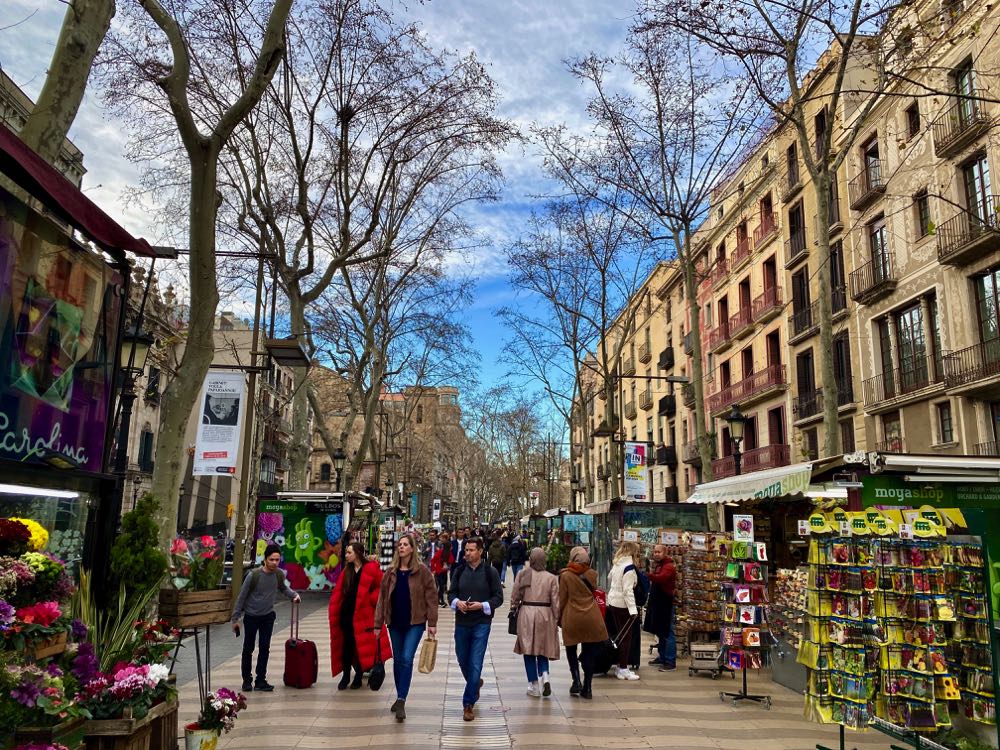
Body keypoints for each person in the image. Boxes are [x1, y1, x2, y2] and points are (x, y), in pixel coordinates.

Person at [374, 533, 439, 722]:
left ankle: (401, 698)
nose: (401, 547)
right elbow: (381, 599)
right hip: (394, 622)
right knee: (397, 660)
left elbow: (432, 598)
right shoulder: (391, 572)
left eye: (405, 544)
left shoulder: (422, 571)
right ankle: (400, 695)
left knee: (406, 658)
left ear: (412, 548)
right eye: (399, 545)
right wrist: (378, 624)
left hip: (415, 622)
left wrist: (432, 623)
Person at [231, 543, 300, 692]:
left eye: (277, 560)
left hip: (267, 617)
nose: (274, 563)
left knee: (264, 648)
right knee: (248, 649)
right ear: (265, 559)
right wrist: (235, 619)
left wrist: (294, 595)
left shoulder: (279, 574)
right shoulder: (253, 575)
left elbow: (283, 588)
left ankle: (260, 680)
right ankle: (246, 681)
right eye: (271, 560)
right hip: (251, 617)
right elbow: (241, 597)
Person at [449, 537, 503, 722]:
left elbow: (498, 597)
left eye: (471, 550)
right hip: (462, 622)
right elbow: (451, 594)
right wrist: (458, 603)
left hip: (481, 622)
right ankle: (475, 683)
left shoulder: (490, 572)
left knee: (475, 662)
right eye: (466, 550)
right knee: (463, 659)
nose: (468, 553)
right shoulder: (459, 571)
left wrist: (482, 605)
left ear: (480, 551)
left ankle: (468, 703)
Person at [328, 541, 392, 690]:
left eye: (349, 552)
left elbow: (381, 588)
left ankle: (358, 676)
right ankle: (345, 675)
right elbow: (339, 593)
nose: (346, 555)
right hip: (347, 615)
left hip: (364, 616)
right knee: (346, 647)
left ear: (357, 553)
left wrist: (370, 600)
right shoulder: (347, 571)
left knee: (360, 646)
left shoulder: (371, 569)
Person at [558, 547, 607, 700]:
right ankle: (588, 687)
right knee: (589, 652)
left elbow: (562, 599)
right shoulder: (592, 574)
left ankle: (576, 680)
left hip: (572, 616)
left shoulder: (565, 576)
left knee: (571, 649)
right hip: (591, 616)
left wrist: (558, 617)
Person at [512, 547, 560, 698]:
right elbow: (556, 602)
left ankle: (533, 685)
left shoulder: (523, 574)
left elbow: (515, 595)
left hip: (527, 612)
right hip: (545, 614)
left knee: (528, 648)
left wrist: (514, 607)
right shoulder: (552, 578)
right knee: (543, 646)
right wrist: (556, 618)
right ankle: (545, 675)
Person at [606, 541, 641, 681]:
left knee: (620, 635)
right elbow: (628, 591)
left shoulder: (618, 564)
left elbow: (609, 578)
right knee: (626, 637)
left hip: (613, 601)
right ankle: (623, 669)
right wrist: (633, 610)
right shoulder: (629, 567)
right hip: (623, 606)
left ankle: (621, 666)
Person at [644, 543, 678, 671]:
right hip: (659, 604)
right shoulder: (659, 566)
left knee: (667, 632)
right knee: (661, 631)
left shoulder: (668, 567)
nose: (656, 554)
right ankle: (662, 657)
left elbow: (662, 579)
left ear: (665, 553)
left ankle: (670, 661)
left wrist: (649, 575)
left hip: (666, 604)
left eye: (659, 552)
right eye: (655, 552)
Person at [431, 530, 454, 607]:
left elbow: (433, 560)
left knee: (441, 586)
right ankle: (441, 601)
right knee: (442, 586)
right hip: (442, 571)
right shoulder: (446, 553)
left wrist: (433, 569)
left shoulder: (440, 552)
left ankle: (439, 600)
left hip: (439, 571)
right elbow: (452, 560)